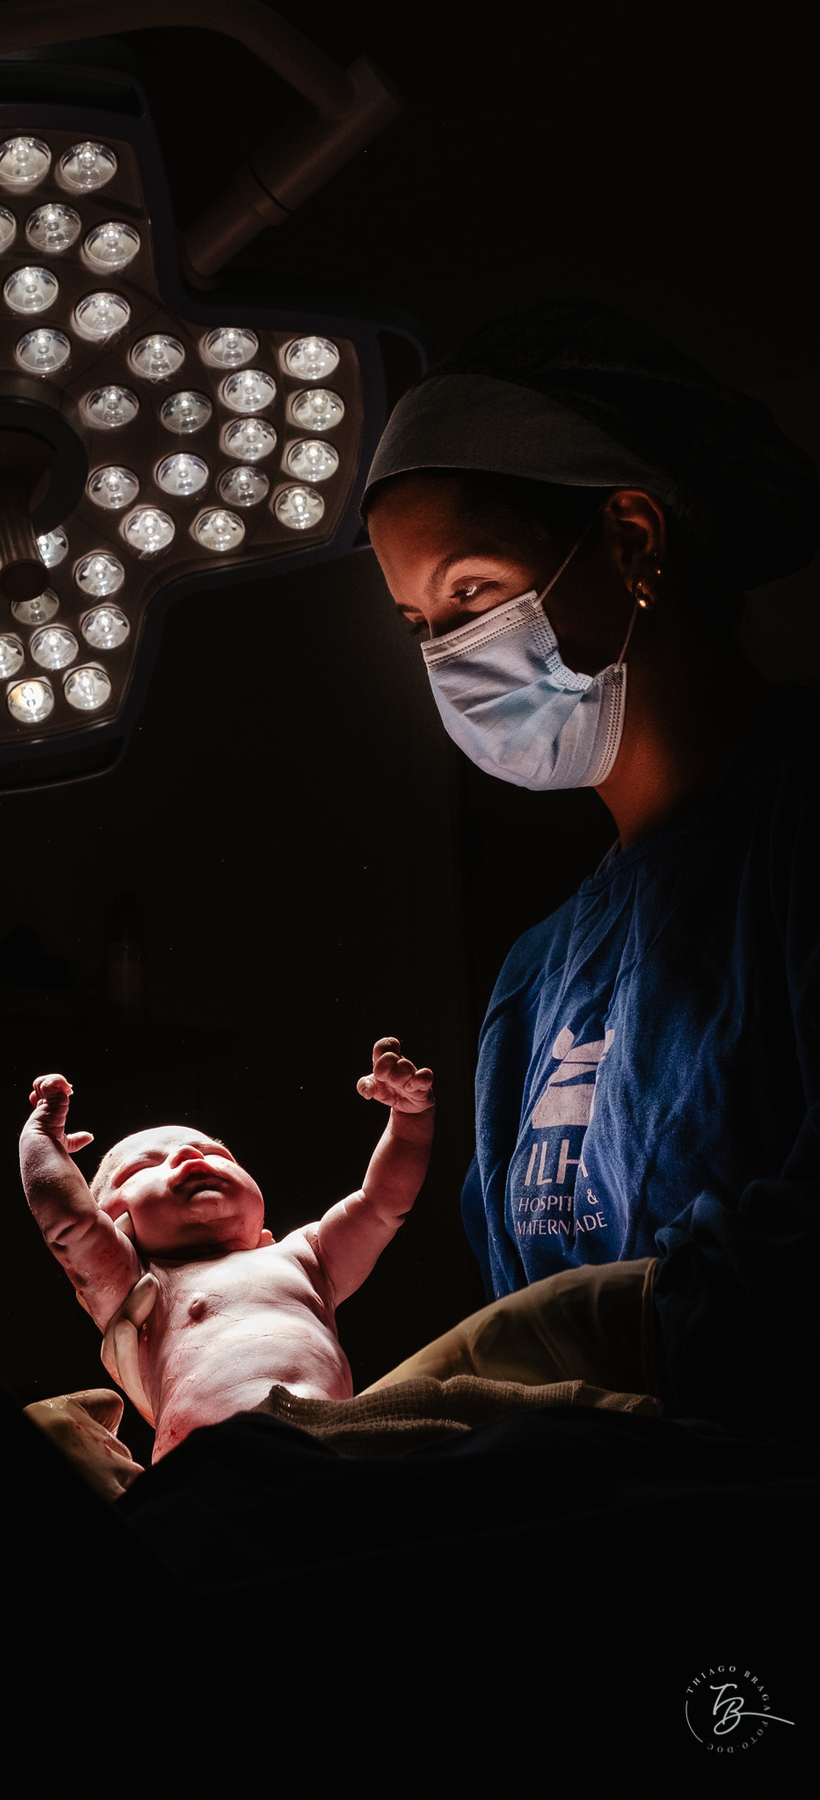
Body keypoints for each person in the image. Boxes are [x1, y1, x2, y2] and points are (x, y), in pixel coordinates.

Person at [361, 299, 819, 1445]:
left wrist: (605, 1338)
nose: (449, 653)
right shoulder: (536, 978)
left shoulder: (800, 818)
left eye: (470, 591)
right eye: (418, 621)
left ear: (630, 540)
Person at [20, 1040, 435, 1462]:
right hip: (209, 1461)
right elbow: (70, 1223)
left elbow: (381, 1204)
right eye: (147, 1167)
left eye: (216, 1154)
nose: (188, 1155)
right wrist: (40, 1140)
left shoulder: (305, 1258)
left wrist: (409, 1121)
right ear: (115, 1223)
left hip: (336, 1444)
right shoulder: (137, 1287)